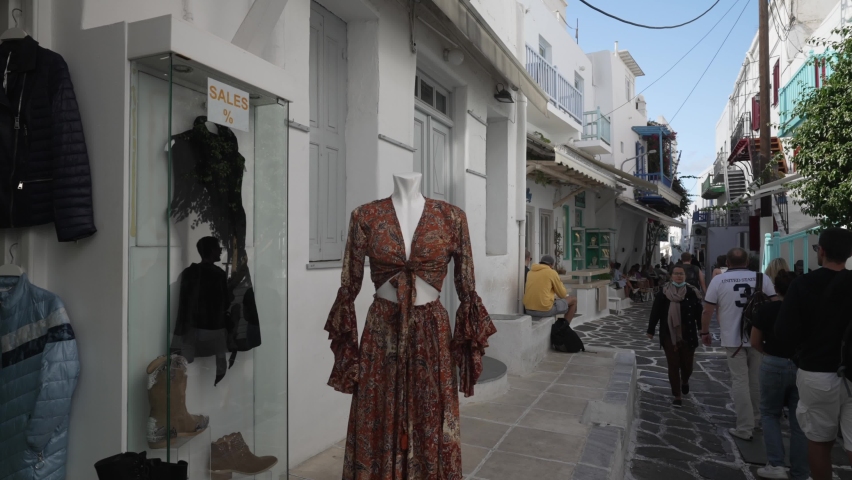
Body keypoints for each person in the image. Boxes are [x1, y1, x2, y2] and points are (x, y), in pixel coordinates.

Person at [775, 228, 852, 480]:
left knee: (819, 442)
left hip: (817, 373)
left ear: (822, 251)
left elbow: (784, 334)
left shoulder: (802, 285)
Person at [701, 247, 777, 441]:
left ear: (727, 262)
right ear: (747, 261)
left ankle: (744, 426)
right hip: (757, 336)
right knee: (755, 380)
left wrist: (705, 331)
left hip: (733, 338)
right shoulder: (762, 279)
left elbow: (708, 310)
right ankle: (757, 419)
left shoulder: (718, 280)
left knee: (740, 381)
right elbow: (776, 305)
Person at [750, 271, 809, 480]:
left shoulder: (767, 309)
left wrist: (768, 354)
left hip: (773, 362)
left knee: (769, 413)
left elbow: (755, 341)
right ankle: (801, 471)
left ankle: (776, 464)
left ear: (776, 289)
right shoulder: (807, 310)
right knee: (799, 421)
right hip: (801, 365)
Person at [647, 266, 704, 408]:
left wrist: (702, 329)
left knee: (687, 365)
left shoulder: (692, 292)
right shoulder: (664, 293)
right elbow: (656, 312)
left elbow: (698, 313)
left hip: (688, 334)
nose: (679, 276)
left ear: (685, 276)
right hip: (669, 334)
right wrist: (651, 330)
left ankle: (685, 380)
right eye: (676, 274)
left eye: (681, 274)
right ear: (671, 276)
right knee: (673, 365)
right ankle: (677, 395)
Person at [523, 254, 578, 323]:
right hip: (544, 310)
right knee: (573, 300)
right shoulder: (552, 273)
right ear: (551, 265)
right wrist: (559, 282)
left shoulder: (530, 272)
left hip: (528, 309)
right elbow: (563, 294)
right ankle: (564, 328)